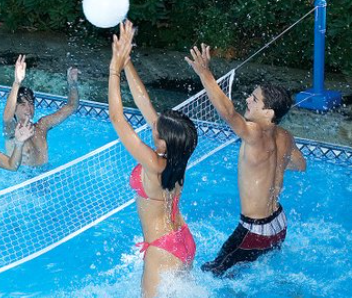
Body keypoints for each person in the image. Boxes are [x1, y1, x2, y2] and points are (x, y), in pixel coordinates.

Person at [185, 44, 307, 276]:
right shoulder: (286, 136)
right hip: (279, 223)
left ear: (268, 113)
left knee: (211, 274)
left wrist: (204, 73)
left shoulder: (253, 134)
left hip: (255, 231)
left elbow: (228, 113)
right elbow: (301, 166)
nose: (248, 100)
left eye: (254, 99)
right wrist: (272, 164)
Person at [109, 21, 198, 298]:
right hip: (182, 239)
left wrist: (113, 70)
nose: (152, 127)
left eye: (156, 130)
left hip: (161, 248)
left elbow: (117, 118)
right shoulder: (176, 159)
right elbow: (143, 100)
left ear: (164, 141)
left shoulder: (154, 164)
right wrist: (126, 61)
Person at [3, 55, 80, 166]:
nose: (28, 108)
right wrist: (17, 83)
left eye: (31, 104)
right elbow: (7, 118)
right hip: (23, 180)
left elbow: (72, 106)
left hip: (44, 176)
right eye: (23, 104)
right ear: (14, 108)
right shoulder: (12, 131)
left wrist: (72, 84)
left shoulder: (42, 126)